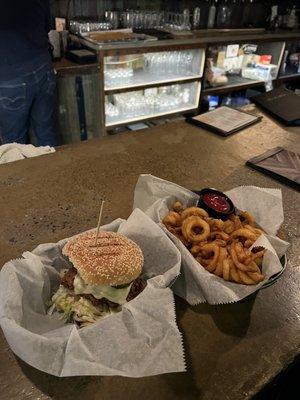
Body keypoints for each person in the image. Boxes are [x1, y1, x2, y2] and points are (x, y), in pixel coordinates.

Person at [0, 1, 58, 146]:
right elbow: (47, 28)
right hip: (44, 69)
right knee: (46, 130)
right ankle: (55, 168)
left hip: (11, 76)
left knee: (15, 142)